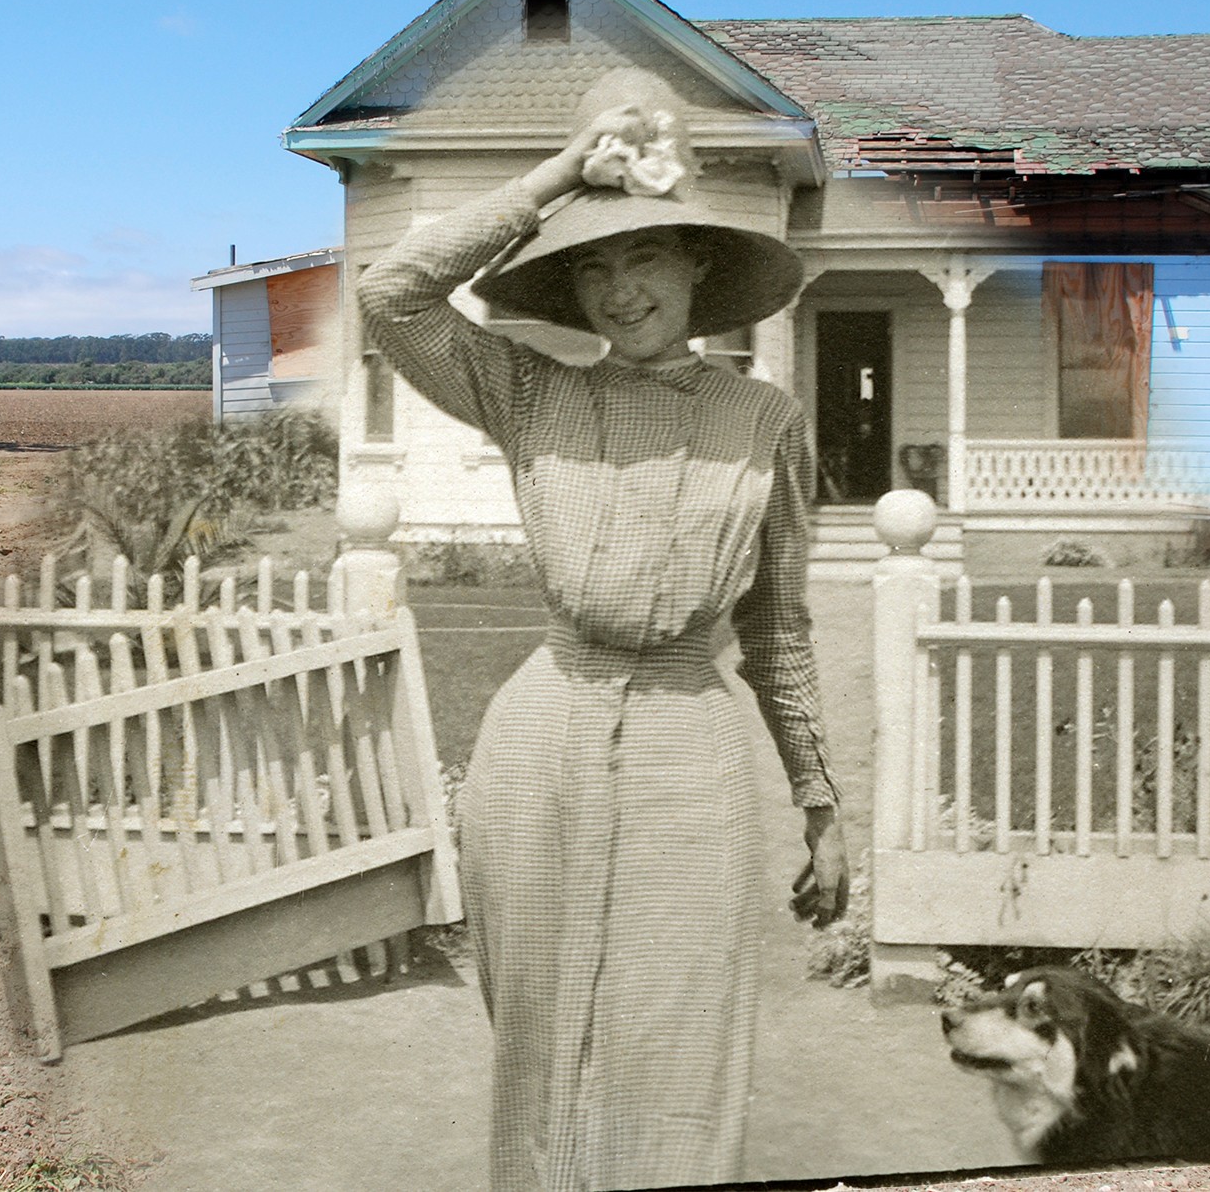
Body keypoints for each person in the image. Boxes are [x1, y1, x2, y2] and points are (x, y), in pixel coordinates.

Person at [356, 86, 849, 1192]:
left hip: (691, 744)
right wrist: (555, 176)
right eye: (592, 267)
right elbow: (391, 292)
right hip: (542, 736)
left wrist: (819, 803)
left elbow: (778, 625)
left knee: (679, 1028)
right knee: (539, 1022)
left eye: (646, 256)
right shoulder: (527, 391)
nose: (621, 290)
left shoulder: (763, 420)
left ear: (699, 265)